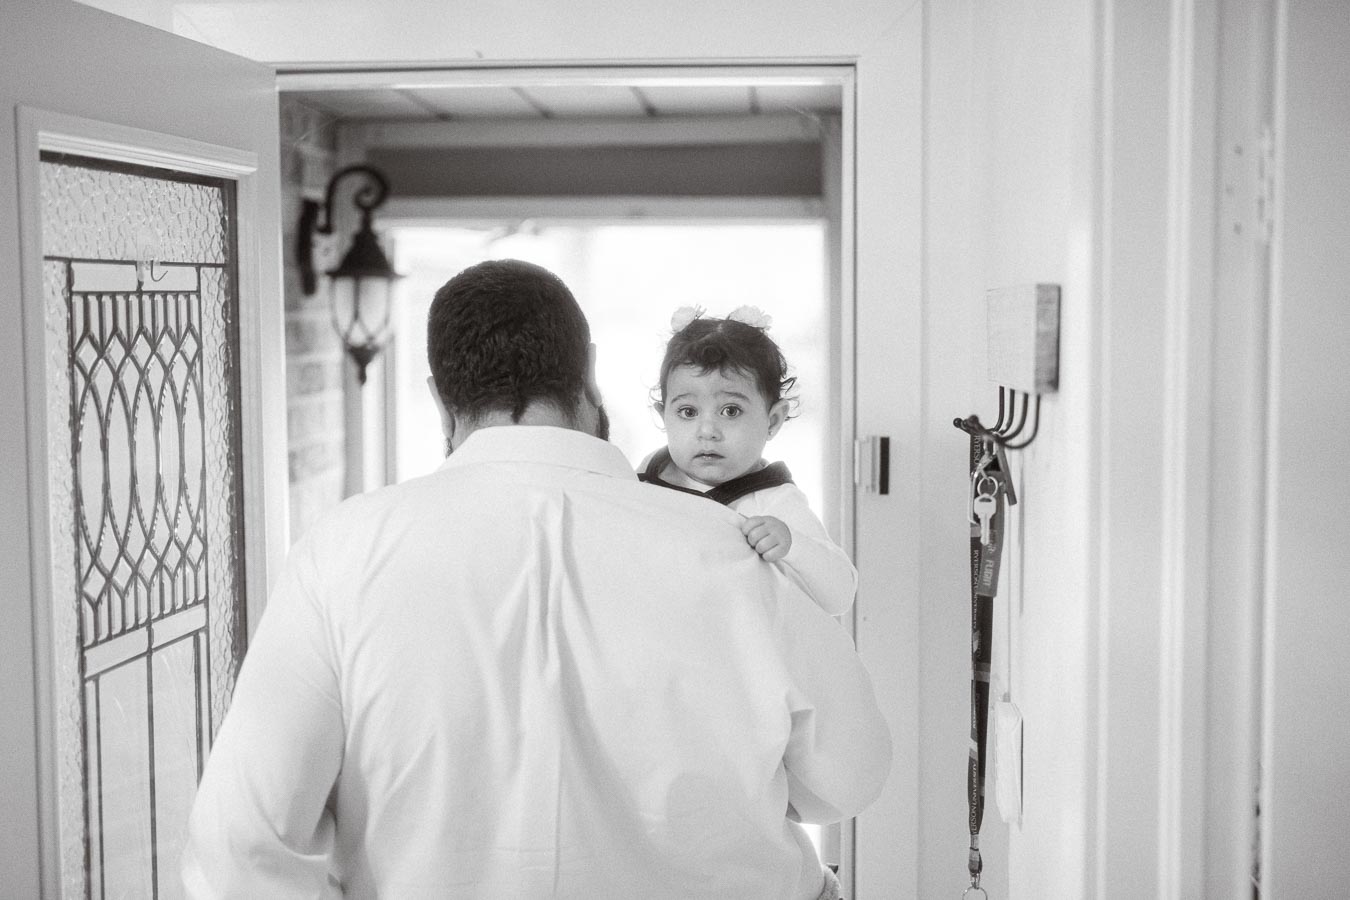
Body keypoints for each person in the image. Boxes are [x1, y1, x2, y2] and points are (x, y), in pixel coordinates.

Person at [181, 259, 891, 899]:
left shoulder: (340, 553)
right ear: (590, 381)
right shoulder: (739, 548)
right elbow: (851, 777)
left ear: (440, 401)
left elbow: (243, 843)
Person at [639, 306, 858, 616]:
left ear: (773, 420)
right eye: (688, 412)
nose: (707, 431)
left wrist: (791, 544)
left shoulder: (773, 500)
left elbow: (840, 595)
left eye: (730, 411)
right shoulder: (647, 476)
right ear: (664, 417)